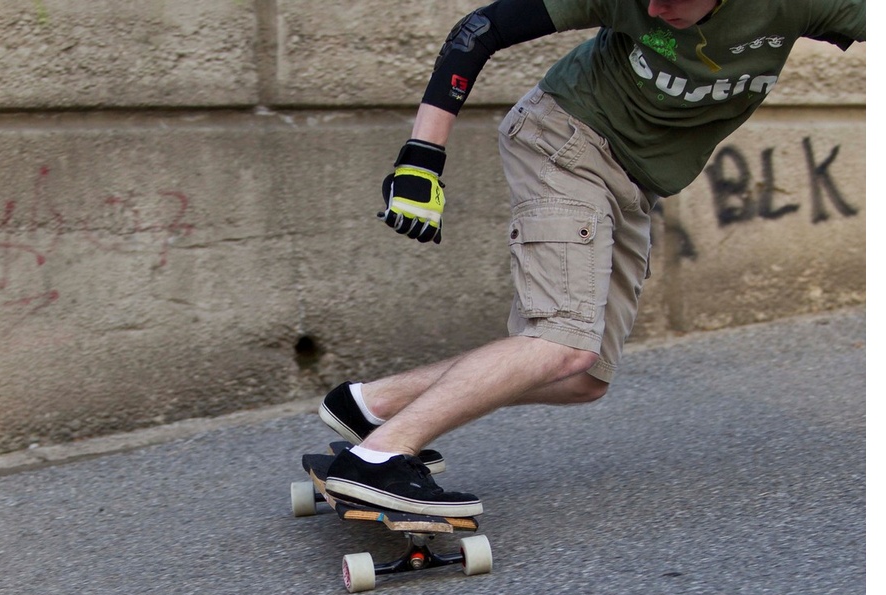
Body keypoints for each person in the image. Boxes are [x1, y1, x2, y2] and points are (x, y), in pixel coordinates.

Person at [316, 0, 866, 518]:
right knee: (561, 340)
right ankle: (380, 459)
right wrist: (421, 157)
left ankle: (371, 406)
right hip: (564, 140)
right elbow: (477, 32)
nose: (651, 10)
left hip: (634, 184)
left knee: (585, 376)